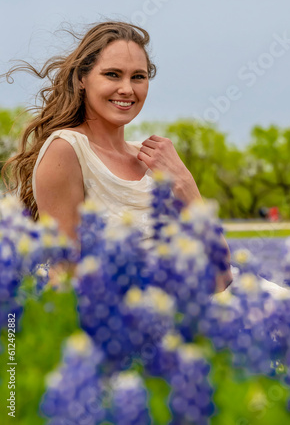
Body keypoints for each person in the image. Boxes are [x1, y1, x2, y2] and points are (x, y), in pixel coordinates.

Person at [2, 21, 232, 292]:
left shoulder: (154, 158)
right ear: (81, 80)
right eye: (112, 74)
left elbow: (223, 276)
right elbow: (65, 280)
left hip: (193, 310)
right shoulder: (66, 149)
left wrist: (185, 183)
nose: (127, 89)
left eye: (138, 76)